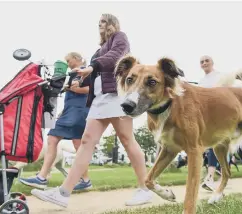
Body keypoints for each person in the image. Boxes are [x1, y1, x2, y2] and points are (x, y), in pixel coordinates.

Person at [30, 13, 153, 208]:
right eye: (99, 23)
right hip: (100, 98)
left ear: (112, 24)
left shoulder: (120, 38)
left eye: (104, 22)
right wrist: (82, 79)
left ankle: (145, 189)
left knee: (127, 140)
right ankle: (63, 193)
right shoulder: (98, 50)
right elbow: (95, 72)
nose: (100, 26)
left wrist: (92, 66)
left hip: (115, 94)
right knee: (87, 141)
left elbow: (115, 58)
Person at [19, 52, 92, 191]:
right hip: (73, 111)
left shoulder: (86, 70)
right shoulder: (73, 74)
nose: (68, 64)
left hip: (78, 111)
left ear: (77, 59)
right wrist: (63, 110)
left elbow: (92, 89)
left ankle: (42, 177)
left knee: (52, 139)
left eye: (69, 60)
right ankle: (86, 180)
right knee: (78, 147)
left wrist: (75, 88)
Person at [198, 55, 242, 191]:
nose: (204, 63)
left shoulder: (221, 76)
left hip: (223, 115)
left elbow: (232, 90)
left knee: (216, 144)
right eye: (202, 62)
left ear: (212, 62)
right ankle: (220, 174)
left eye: (207, 60)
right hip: (208, 117)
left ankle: (211, 177)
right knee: (218, 147)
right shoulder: (201, 82)